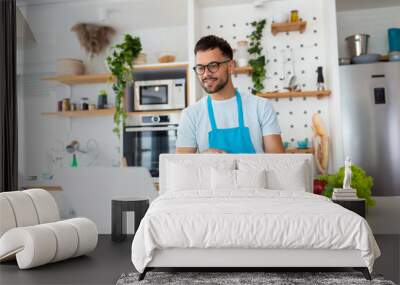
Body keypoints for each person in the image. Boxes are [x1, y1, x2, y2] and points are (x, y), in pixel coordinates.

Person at [176, 35, 284, 154]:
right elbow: (182, 166)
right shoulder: (190, 115)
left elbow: (277, 161)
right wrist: (202, 158)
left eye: (213, 66)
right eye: (200, 68)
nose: (206, 74)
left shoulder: (261, 107)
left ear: (231, 67)